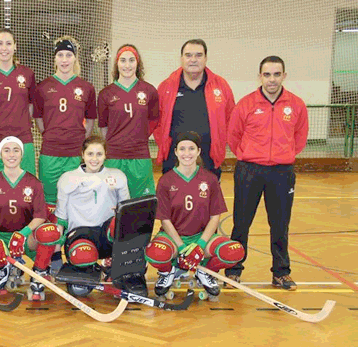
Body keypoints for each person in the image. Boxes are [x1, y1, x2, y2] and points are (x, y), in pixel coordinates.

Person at [225, 56, 308, 290]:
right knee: (241, 223)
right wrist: (249, 155)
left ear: (284, 76)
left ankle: (281, 272)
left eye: (277, 74)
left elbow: (300, 137)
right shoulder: (246, 104)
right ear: (260, 76)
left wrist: (284, 155)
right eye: (267, 74)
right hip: (249, 170)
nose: (272, 79)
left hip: (282, 172)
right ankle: (233, 270)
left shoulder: (297, 105)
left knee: (280, 225)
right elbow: (234, 136)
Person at [146, 131, 244, 298]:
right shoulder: (166, 181)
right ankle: (168, 272)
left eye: (191, 149)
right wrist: (182, 247)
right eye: (182, 149)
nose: (187, 153)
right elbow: (165, 219)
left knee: (235, 251)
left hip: (202, 238)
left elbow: (215, 217)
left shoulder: (210, 179)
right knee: (154, 253)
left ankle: (205, 272)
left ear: (198, 151)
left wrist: (200, 244)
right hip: (174, 239)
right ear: (175, 151)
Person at [0, 136, 53, 300]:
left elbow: (41, 216)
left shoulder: (33, 182)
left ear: (22, 155)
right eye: (7, 150)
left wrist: (22, 233)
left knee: (48, 232)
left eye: (16, 150)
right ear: (0, 155)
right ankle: (2, 267)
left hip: (26, 237)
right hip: (1, 235)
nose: (11, 155)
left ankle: (39, 272)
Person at [53, 136, 136, 295]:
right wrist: (56, 254)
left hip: (106, 235)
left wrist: (121, 211)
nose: (94, 158)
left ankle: (113, 265)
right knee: (80, 289)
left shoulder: (117, 176)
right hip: (80, 234)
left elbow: (128, 213)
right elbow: (61, 218)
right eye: (90, 154)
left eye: (99, 154)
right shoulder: (68, 178)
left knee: (122, 219)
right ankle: (88, 266)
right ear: (82, 154)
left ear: (106, 155)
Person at [153, 39, 235, 180]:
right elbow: (156, 121)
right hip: (174, 160)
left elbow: (231, 119)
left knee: (208, 200)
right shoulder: (166, 87)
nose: (193, 60)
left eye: (198, 55)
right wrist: (166, 145)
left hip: (209, 160)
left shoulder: (221, 86)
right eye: (188, 55)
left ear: (205, 58)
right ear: (181, 58)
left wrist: (219, 147)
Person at [33, 35, 97, 208]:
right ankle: (51, 235)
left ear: (75, 57)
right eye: (60, 55)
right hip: (50, 152)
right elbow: (38, 117)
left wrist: (82, 139)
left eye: (68, 55)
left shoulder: (86, 88)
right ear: (54, 58)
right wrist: (48, 134)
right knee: (50, 200)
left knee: (75, 198)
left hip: (75, 153)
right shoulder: (43, 87)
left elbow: (91, 119)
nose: (64, 60)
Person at [98, 44, 159, 198]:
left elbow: (153, 121)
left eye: (131, 60)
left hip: (140, 156)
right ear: (117, 63)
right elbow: (103, 127)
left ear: (137, 63)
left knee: (142, 203)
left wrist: (136, 137)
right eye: (123, 60)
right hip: (114, 157)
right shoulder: (106, 93)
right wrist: (118, 142)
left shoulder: (149, 91)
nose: (127, 65)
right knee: (112, 203)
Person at [0, 29, 37, 185]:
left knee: (27, 187)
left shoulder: (28, 74)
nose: (4, 48)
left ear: (15, 47)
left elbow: (31, 105)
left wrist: (22, 124)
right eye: (0, 43)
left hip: (23, 137)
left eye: (9, 43)